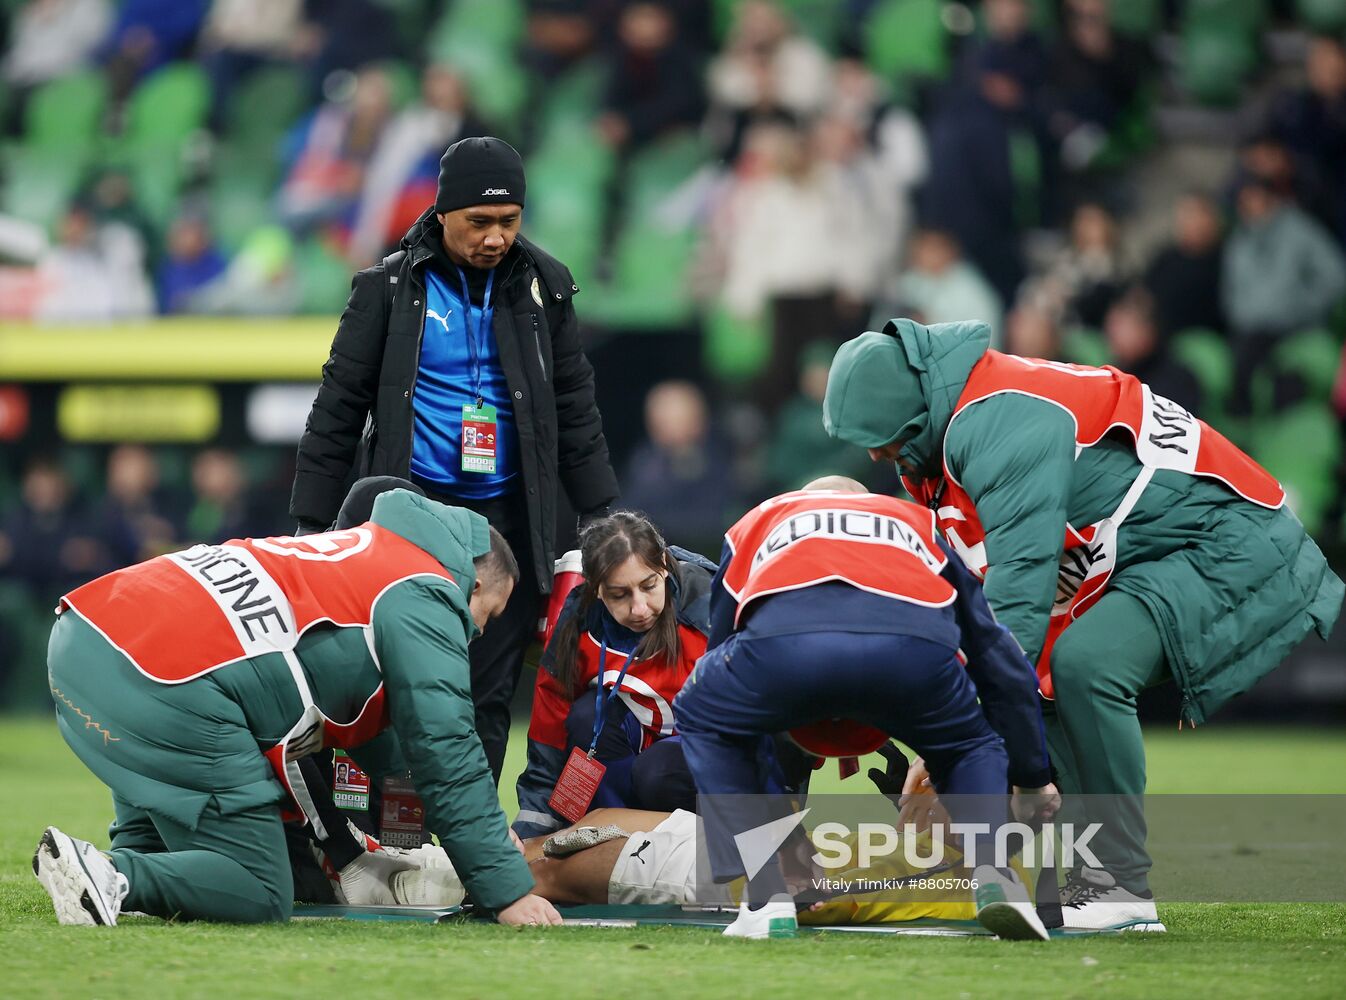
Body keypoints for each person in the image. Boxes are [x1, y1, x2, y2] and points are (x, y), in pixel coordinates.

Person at [823, 319, 1344, 930]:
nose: (875, 455)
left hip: (1230, 542)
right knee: (1039, 681)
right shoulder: (959, 424)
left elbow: (1014, 607)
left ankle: (1118, 883)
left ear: (909, 413)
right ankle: (1079, 873)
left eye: (880, 438)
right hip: (1171, 544)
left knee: (1085, 663)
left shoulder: (993, 423)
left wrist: (949, 755)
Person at [33, 486, 561, 927]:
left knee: (166, 855)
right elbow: (445, 746)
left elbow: (390, 740)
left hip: (90, 633)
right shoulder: (425, 591)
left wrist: (489, 835)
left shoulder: (366, 554)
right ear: (471, 578)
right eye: (484, 616)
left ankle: (115, 872)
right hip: (165, 679)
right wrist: (505, 889)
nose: (476, 634)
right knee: (259, 889)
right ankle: (107, 872)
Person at [291, 136, 619, 782]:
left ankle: (467, 853)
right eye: (479, 222)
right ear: (443, 214)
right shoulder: (386, 289)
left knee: (488, 693)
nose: (495, 237)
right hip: (411, 518)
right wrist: (310, 525)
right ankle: (387, 837)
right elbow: (338, 406)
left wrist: (601, 517)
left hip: (509, 518)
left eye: (509, 221)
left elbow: (575, 406)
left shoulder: (545, 289)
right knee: (392, 683)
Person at [672, 477, 1059, 941]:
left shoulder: (757, 520)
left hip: (787, 652)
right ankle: (995, 873)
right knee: (969, 744)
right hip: (911, 654)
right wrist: (1033, 776)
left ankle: (765, 895)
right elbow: (1001, 661)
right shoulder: (914, 520)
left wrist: (779, 827)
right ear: (866, 504)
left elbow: (727, 676)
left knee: (705, 712)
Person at [513, 512, 715, 838]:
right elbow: (549, 725)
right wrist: (531, 833)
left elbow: (766, 719)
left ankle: (701, 849)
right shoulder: (579, 622)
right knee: (585, 719)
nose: (639, 608)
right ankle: (612, 842)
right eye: (619, 594)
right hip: (638, 742)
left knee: (657, 771)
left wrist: (774, 823)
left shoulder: (708, 609)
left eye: (649, 586)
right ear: (596, 591)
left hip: (711, 755)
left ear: (664, 566)